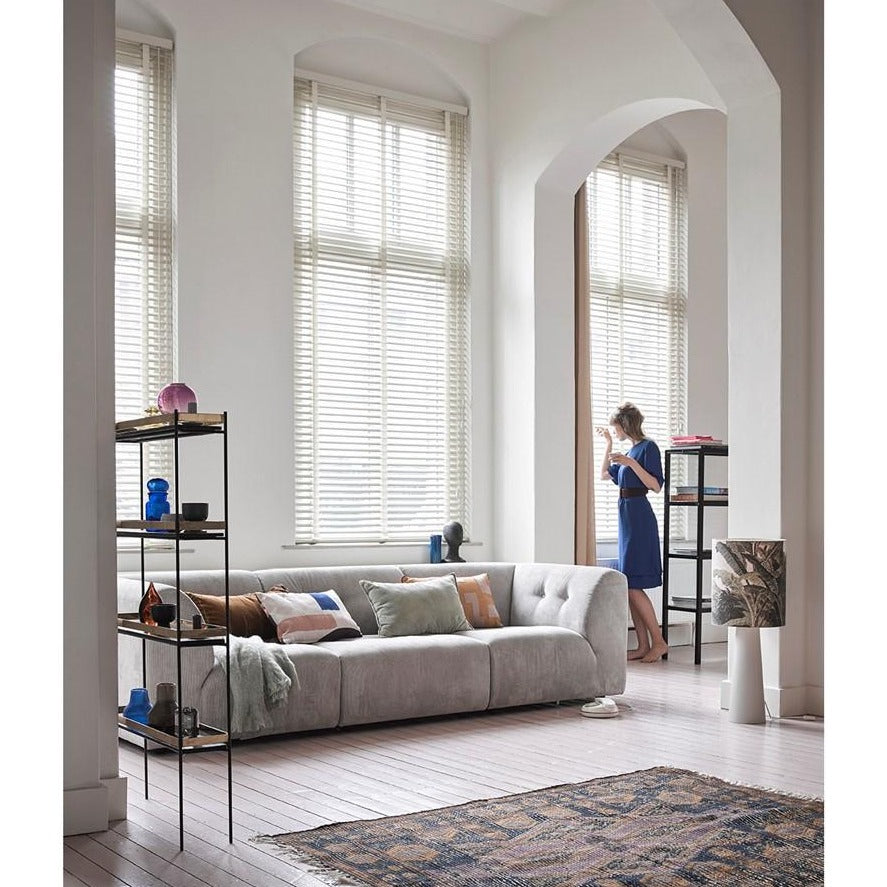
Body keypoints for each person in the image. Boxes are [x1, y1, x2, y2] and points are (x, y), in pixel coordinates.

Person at [596, 402, 668, 663]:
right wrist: (607, 445)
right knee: (629, 584)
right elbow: (604, 474)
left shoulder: (647, 448)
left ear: (625, 425)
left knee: (633, 583)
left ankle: (658, 642)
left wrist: (630, 463)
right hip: (626, 516)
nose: (614, 431)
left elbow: (656, 485)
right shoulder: (629, 450)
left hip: (640, 517)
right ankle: (642, 644)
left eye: (615, 428)